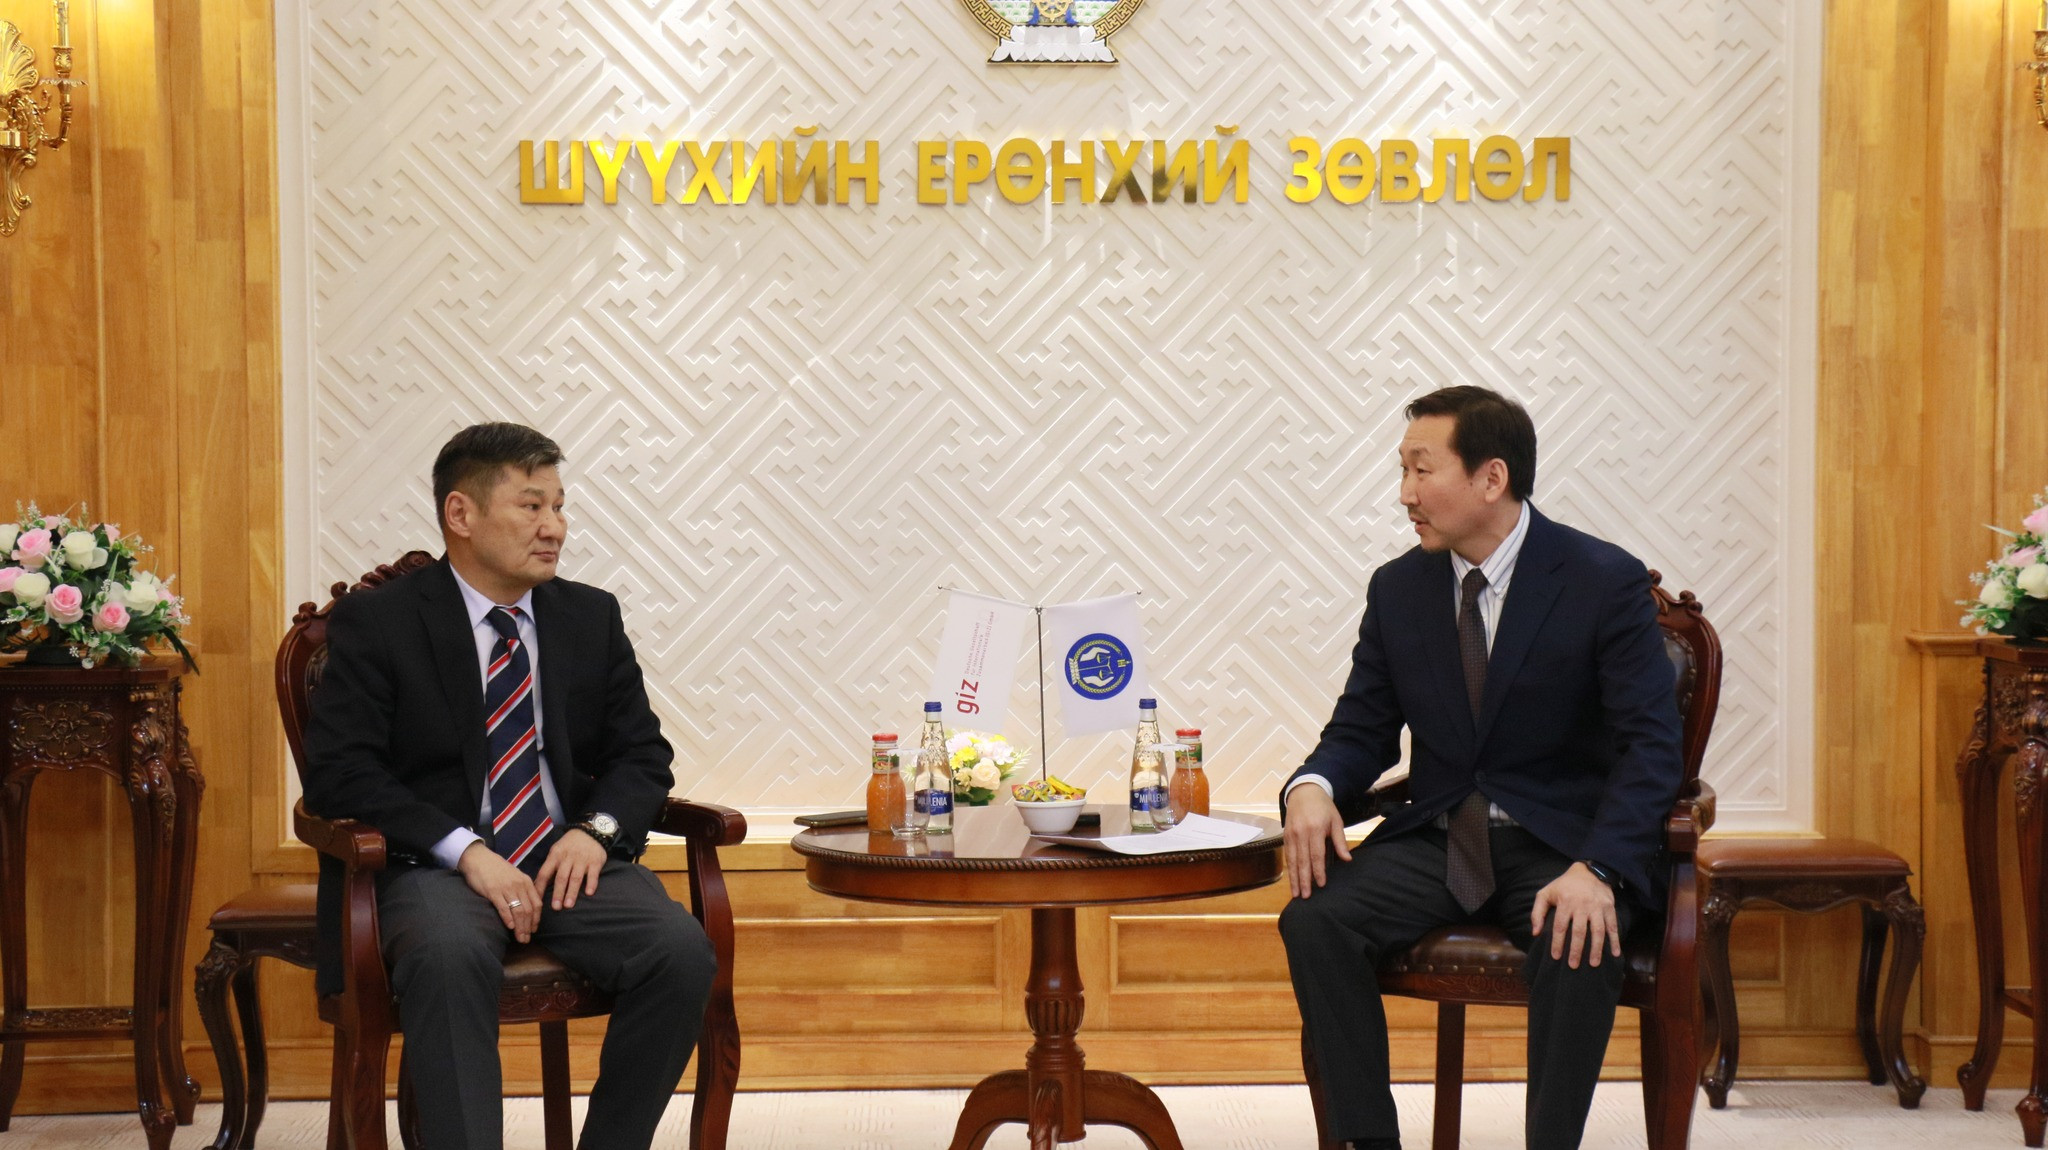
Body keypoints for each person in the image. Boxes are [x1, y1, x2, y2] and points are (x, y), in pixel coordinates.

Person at [1278, 386, 1683, 1150]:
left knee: (1577, 934)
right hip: (1442, 837)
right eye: (1402, 471)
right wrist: (1313, 787)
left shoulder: (1601, 581)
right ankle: (1368, 1142)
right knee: (1315, 920)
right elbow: (1362, 727)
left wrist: (1601, 867)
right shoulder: (1399, 589)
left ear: (1491, 478)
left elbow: (1651, 747)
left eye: (1421, 470)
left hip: (1559, 844)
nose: (1405, 494)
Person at [303, 422, 714, 1150]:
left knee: (679, 952)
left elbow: (642, 754)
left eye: (559, 506)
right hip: (435, 869)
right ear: (460, 514)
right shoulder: (382, 622)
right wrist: (465, 851)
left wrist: (596, 833)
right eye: (531, 506)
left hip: (565, 863)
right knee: (447, 956)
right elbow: (343, 772)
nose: (554, 527)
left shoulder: (588, 616)